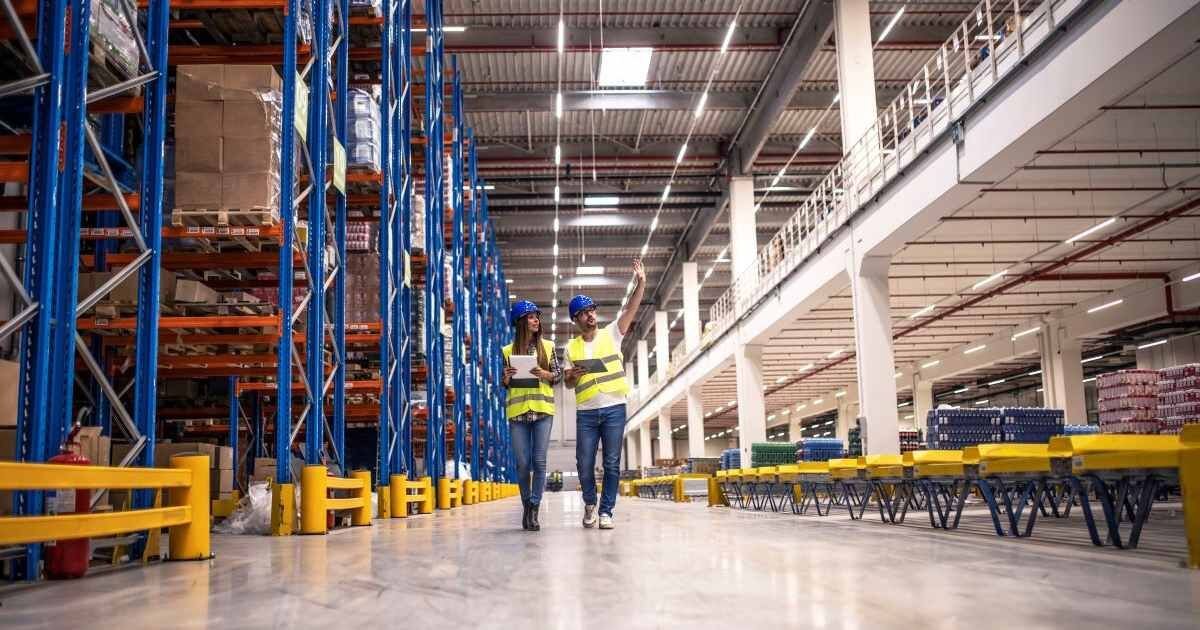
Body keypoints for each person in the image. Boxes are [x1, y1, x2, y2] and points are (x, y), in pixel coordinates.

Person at [563, 259, 646, 530]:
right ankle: (590, 503)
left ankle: (606, 511)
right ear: (576, 319)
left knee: (611, 463)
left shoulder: (612, 333)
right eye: (584, 312)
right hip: (586, 412)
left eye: (592, 310)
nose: (591, 315)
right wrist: (572, 376)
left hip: (614, 408)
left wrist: (641, 283)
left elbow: (631, 308)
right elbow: (567, 383)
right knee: (584, 463)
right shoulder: (570, 348)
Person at [501, 299, 561, 531]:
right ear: (520, 322)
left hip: (542, 411)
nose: (536, 320)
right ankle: (526, 505)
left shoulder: (548, 346)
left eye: (537, 316)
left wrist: (544, 373)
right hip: (518, 413)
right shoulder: (507, 350)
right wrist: (506, 377)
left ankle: (534, 508)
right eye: (531, 317)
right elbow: (505, 383)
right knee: (523, 463)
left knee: (539, 461)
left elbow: (557, 376)